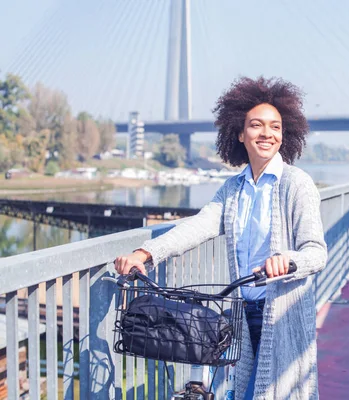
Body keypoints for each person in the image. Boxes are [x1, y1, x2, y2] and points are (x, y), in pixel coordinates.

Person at [114, 76, 328, 399]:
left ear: (285, 135)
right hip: (242, 316)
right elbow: (198, 226)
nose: (267, 134)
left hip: (281, 317)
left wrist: (289, 260)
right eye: (256, 125)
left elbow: (316, 252)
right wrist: (146, 253)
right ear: (240, 134)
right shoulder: (233, 189)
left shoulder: (297, 185)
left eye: (275, 127)